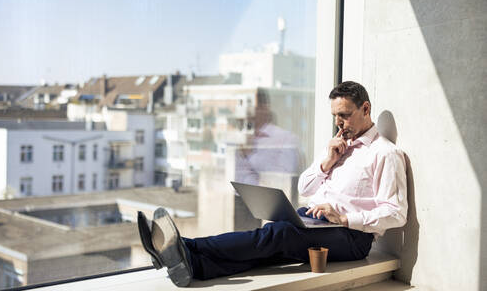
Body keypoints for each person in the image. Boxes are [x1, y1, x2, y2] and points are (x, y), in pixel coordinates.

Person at [137, 81, 408, 287]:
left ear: (366, 109)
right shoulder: (338, 147)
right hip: (317, 220)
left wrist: (346, 217)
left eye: (345, 115)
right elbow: (304, 188)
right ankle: (193, 266)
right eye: (335, 116)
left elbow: (396, 213)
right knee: (270, 244)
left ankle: (183, 246)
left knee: (277, 236)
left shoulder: (385, 154)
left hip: (352, 238)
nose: (339, 123)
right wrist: (327, 162)